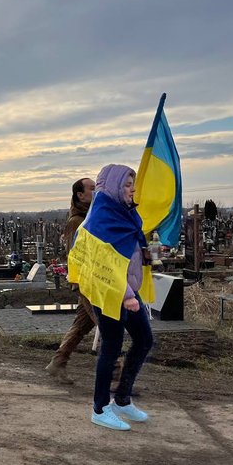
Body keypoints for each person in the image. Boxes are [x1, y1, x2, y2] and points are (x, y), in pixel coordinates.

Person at [67, 164, 155, 431]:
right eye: (127, 185)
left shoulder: (124, 213)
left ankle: (122, 399)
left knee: (144, 339)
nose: (132, 189)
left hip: (126, 288)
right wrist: (128, 295)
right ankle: (100, 407)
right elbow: (101, 262)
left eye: (133, 184)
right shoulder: (101, 218)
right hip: (108, 291)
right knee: (112, 345)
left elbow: (130, 250)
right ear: (115, 186)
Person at [46, 178, 97, 384]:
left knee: (81, 325)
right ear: (80, 195)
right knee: (108, 326)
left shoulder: (92, 216)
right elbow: (74, 255)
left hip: (93, 280)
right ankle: (115, 375)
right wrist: (82, 281)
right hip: (87, 282)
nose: (97, 191)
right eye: (92, 189)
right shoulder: (77, 221)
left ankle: (57, 363)